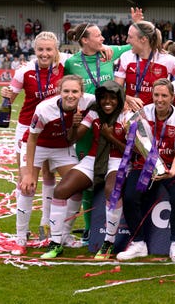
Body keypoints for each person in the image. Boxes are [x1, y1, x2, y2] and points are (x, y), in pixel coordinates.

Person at [41, 80, 127, 259]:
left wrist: (109, 137)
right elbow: (72, 139)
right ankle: (56, 242)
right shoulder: (94, 111)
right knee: (60, 190)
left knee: (112, 191)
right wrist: (73, 125)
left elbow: (132, 150)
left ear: (119, 99)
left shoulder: (128, 115)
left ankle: (108, 243)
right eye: (103, 98)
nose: (107, 102)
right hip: (93, 159)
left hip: (118, 160)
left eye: (112, 98)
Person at [65, 21, 131, 244]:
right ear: (85, 40)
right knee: (87, 181)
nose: (103, 39)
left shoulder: (109, 53)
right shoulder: (72, 63)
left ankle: (110, 232)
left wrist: (139, 22)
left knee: (111, 176)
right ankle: (88, 228)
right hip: (87, 124)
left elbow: (136, 43)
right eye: (98, 36)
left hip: (111, 121)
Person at [2, 32, 65, 253]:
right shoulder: (24, 71)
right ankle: (21, 238)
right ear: (34, 50)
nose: (45, 53)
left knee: (50, 176)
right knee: (26, 183)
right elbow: (10, 98)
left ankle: (45, 225)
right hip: (28, 132)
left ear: (56, 50)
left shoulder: (65, 65)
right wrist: (6, 94)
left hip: (53, 132)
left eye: (49, 49)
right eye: (41, 50)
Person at [19, 75, 96, 256]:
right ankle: (21, 236)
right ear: (59, 92)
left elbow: (108, 97)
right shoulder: (44, 109)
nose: (70, 95)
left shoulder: (89, 101)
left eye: (75, 91)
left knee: (76, 188)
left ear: (81, 92)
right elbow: (31, 139)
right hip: (37, 146)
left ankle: (65, 235)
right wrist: (29, 173)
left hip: (63, 148)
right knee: (27, 186)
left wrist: (128, 101)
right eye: (66, 91)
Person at [116, 79, 175, 262]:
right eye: (156, 95)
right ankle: (138, 243)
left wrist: (172, 172)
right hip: (144, 165)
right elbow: (135, 145)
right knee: (130, 196)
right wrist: (128, 130)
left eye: (164, 95)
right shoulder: (142, 113)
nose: (160, 99)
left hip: (171, 166)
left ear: (172, 97)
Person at [115, 20, 175, 111]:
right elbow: (116, 89)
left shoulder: (169, 60)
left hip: (158, 114)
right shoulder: (126, 57)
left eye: (130, 37)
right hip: (132, 114)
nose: (127, 40)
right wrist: (127, 98)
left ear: (143, 39)